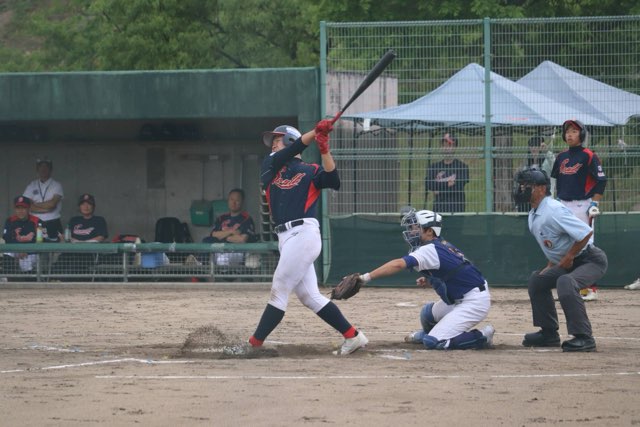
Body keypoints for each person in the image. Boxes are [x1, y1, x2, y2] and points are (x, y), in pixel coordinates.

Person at [248, 121, 367, 356]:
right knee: (309, 296)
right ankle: (353, 336)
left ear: (290, 140)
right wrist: (316, 132)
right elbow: (293, 150)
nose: (273, 144)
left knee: (279, 289)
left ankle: (254, 344)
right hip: (286, 238)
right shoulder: (270, 165)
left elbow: (333, 181)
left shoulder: (310, 170)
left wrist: (324, 149)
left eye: (278, 139)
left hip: (304, 234)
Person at [355, 209, 494, 350]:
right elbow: (455, 271)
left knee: (434, 342)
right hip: (463, 296)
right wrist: (432, 280)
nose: (411, 231)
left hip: (473, 302)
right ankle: (430, 333)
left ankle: (482, 336)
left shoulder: (430, 249)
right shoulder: (439, 244)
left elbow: (398, 264)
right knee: (427, 314)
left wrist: (365, 278)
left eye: (416, 228)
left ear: (429, 231)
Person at [513, 167, 608, 352]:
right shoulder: (534, 213)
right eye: (522, 185)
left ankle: (584, 338)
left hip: (590, 260)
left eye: (527, 185)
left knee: (566, 282)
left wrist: (569, 256)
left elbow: (585, 233)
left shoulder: (553, 209)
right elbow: (555, 245)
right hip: (569, 261)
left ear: (541, 188)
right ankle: (549, 334)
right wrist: (550, 265)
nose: (522, 189)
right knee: (537, 280)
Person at [551, 120, 607, 301]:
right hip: (563, 204)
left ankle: (590, 288)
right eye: (567, 131)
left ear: (581, 135)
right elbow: (556, 181)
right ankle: (570, 286)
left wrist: (594, 203)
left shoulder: (588, 155)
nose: (570, 134)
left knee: (585, 245)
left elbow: (601, 180)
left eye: (574, 131)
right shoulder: (561, 157)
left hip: (582, 205)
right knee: (564, 245)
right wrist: (556, 200)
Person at [51, 194, 108, 277]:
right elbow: (67, 236)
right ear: (79, 207)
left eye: (89, 204)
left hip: (90, 253)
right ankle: (55, 280)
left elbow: (101, 237)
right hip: (72, 252)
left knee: (74, 264)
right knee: (61, 261)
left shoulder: (99, 220)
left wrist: (82, 243)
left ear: (93, 206)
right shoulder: (74, 220)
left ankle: (67, 282)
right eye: (83, 204)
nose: (86, 207)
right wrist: (64, 238)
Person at [202, 188, 258, 267]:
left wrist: (222, 236)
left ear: (242, 202)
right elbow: (214, 234)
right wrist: (231, 232)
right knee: (206, 243)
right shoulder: (221, 218)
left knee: (222, 260)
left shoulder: (246, 219)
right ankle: (200, 264)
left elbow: (242, 239)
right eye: (231, 199)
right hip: (219, 251)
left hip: (237, 252)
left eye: (237, 200)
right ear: (228, 201)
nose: (233, 203)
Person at [425, 133, 469, 213]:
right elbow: (429, 184)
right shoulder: (434, 167)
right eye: (444, 145)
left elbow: (458, 186)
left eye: (450, 145)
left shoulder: (462, 167)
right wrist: (448, 184)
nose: (447, 148)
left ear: (455, 147)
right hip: (439, 211)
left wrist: (439, 190)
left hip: (456, 212)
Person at [23, 158, 64, 242]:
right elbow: (27, 205)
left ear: (51, 169)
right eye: (41, 167)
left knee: (55, 247)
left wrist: (34, 204)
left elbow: (52, 204)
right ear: (37, 169)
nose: (43, 169)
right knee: (34, 246)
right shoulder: (32, 185)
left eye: (46, 167)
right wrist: (47, 208)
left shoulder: (56, 185)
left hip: (53, 222)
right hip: (34, 221)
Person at [2, 196, 42, 276]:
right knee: (7, 252)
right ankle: (10, 278)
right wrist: (18, 249)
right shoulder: (10, 220)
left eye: (23, 208)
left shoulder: (37, 221)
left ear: (29, 209)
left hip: (30, 252)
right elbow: (7, 238)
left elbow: (40, 240)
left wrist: (26, 250)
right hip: (16, 249)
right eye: (18, 208)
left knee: (25, 263)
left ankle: (28, 282)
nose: (20, 211)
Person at [516, 136, 556, 212]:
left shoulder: (547, 161)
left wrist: (547, 151)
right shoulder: (526, 162)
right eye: (531, 146)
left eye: (536, 145)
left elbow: (555, 165)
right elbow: (520, 177)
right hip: (529, 198)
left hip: (544, 197)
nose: (533, 148)